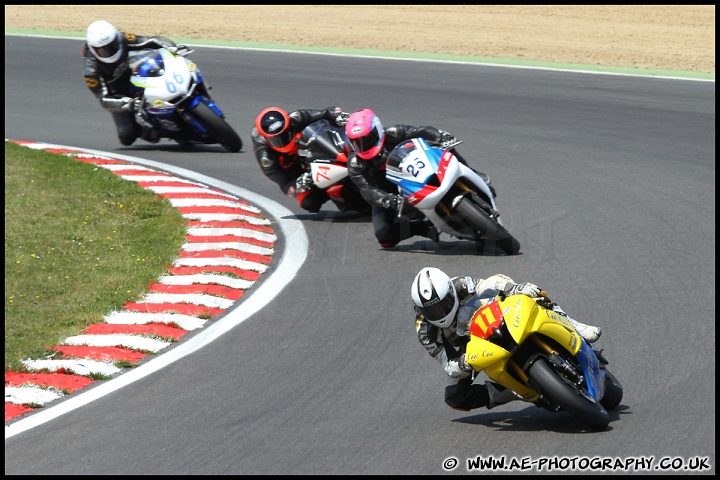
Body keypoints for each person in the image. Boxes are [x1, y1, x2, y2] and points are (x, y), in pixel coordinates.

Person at [410, 267, 602, 412]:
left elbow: (489, 283)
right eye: (432, 311)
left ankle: (576, 327)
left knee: (534, 296)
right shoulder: (425, 331)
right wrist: (463, 363)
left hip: (483, 316)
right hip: (465, 351)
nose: (440, 312)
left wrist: (513, 288)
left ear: (450, 292)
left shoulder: (458, 284)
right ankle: (513, 391)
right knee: (455, 398)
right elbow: (446, 364)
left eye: (443, 304)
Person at [344, 108, 493, 249]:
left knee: (446, 145)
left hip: (415, 172)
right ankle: (423, 227)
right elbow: (367, 190)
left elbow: (420, 131)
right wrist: (388, 200)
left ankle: (472, 173)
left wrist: (440, 136)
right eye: (357, 142)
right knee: (384, 237)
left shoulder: (394, 133)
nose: (363, 146)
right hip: (388, 192)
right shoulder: (355, 164)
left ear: (377, 130)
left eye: (367, 139)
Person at [82, 20, 188, 146]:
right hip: (118, 92)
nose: (110, 51)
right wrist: (128, 104)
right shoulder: (90, 68)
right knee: (127, 136)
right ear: (93, 49)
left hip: (136, 73)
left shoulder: (122, 37)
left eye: (112, 45)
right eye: (103, 50)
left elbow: (150, 40)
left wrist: (173, 47)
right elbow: (103, 99)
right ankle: (160, 130)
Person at [252, 106, 362, 214]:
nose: (281, 140)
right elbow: (281, 180)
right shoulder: (265, 156)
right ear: (266, 138)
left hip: (312, 154)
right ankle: (335, 194)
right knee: (309, 202)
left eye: (285, 134)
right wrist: (296, 186)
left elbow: (325, 113)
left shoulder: (295, 118)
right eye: (276, 139)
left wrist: (337, 115)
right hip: (295, 171)